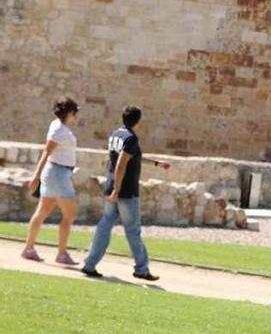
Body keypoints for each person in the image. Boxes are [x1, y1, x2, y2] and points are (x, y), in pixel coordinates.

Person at [81, 105, 171, 281]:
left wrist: (155, 163)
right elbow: (122, 164)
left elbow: (130, 157)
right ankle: (142, 269)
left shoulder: (116, 134)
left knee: (105, 225)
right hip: (126, 191)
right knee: (132, 230)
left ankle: (89, 264)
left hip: (113, 186)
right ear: (138, 121)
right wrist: (118, 189)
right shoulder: (131, 139)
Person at [22, 97, 81, 265]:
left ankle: (29, 248)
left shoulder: (57, 126)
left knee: (43, 211)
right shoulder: (59, 130)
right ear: (69, 113)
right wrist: (36, 175)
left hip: (57, 172)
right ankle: (61, 253)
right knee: (70, 214)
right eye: (74, 113)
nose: (75, 116)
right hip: (59, 173)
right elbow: (46, 152)